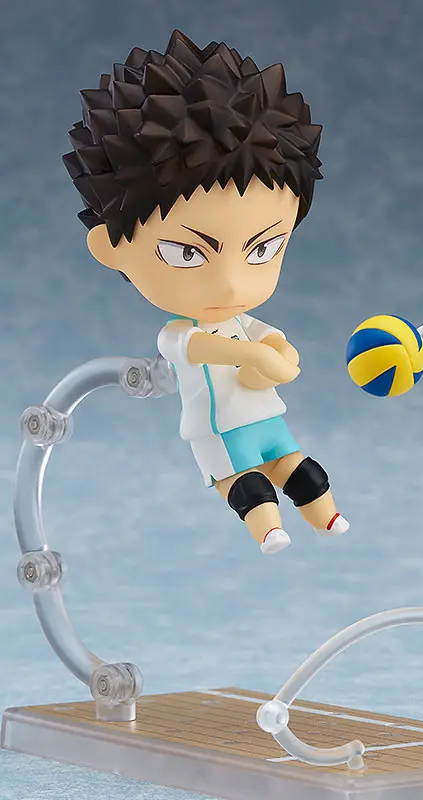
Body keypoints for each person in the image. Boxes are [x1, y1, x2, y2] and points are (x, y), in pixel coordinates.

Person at [63, 29, 349, 555]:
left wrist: (280, 353)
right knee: (249, 487)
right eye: (188, 254)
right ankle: (269, 530)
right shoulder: (179, 336)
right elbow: (204, 348)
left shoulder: (244, 322)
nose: (232, 282)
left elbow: (272, 340)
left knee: (302, 471)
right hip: (218, 432)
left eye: (263, 248)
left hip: (268, 419)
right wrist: (254, 356)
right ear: (112, 248)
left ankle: (327, 518)